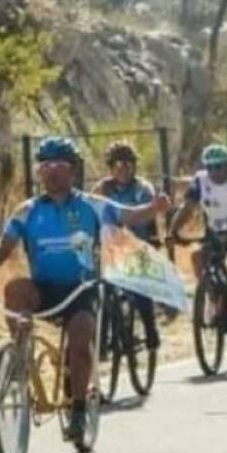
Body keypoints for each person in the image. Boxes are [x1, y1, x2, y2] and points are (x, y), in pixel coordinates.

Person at [0, 136, 170, 440]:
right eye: (45, 166)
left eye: (59, 166)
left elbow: (127, 214)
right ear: (39, 172)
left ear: (72, 171)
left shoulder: (91, 205)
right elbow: (5, 242)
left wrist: (154, 208)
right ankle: (19, 360)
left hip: (81, 291)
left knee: (80, 342)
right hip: (45, 289)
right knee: (15, 289)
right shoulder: (28, 210)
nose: (51, 171)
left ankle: (78, 411)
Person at [169, 144, 227, 337]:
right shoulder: (200, 180)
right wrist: (172, 231)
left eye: (219, 166)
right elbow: (187, 209)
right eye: (210, 167)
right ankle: (213, 296)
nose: (214, 171)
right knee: (198, 257)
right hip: (215, 231)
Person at [91, 141, 164, 352]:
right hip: (111, 242)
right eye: (118, 164)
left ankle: (151, 329)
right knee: (103, 288)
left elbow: (148, 214)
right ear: (111, 167)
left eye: (129, 164)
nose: (124, 169)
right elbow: (93, 213)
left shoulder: (143, 187)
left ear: (135, 166)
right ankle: (103, 340)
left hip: (137, 240)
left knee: (139, 285)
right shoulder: (102, 188)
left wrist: (151, 239)